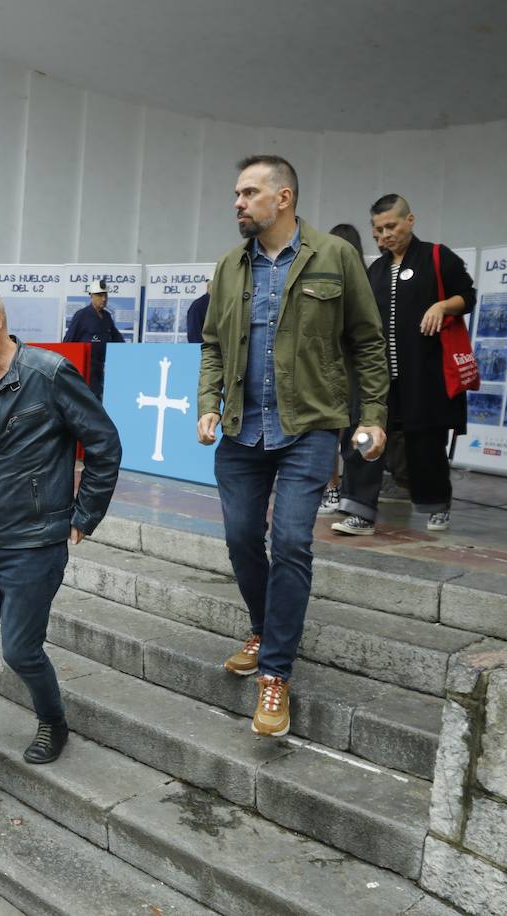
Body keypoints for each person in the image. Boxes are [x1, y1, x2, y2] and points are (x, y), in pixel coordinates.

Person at [198, 155, 388, 738]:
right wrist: (209, 401)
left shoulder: (335, 256)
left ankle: (275, 672)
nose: (237, 202)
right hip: (240, 431)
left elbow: (368, 343)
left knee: (290, 543)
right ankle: (264, 629)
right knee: (239, 538)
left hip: (307, 425)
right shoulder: (230, 265)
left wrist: (374, 415)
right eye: (236, 193)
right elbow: (211, 343)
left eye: (248, 192)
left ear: (283, 198)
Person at [0, 282, 122, 816]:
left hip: (33, 542)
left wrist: (84, 517)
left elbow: (104, 444)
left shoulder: (48, 375)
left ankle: (53, 718)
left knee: (20, 651)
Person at [329, 195, 475, 537]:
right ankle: (359, 510)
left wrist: (442, 306)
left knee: (425, 444)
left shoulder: (438, 257)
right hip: (379, 379)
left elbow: (467, 296)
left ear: (410, 220)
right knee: (364, 435)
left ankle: (437, 504)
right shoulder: (375, 271)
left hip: (425, 376)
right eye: (378, 230)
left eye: (391, 226)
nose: (385, 236)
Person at [318, 223, 367, 516]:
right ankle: (352, 492)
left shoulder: (344, 281)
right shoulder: (367, 280)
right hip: (353, 373)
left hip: (338, 372)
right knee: (353, 434)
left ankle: (335, 490)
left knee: (333, 434)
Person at [62, 279, 125, 399]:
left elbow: (117, 338)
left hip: (101, 368)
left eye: (105, 295)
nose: (104, 299)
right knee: (91, 400)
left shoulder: (107, 316)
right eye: (100, 295)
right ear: (91, 296)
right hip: (86, 369)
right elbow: (68, 343)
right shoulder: (81, 316)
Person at [186, 280, 211, 345]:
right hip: (206, 351)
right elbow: (194, 338)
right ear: (208, 287)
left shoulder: (224, 305)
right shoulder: (197, 306)